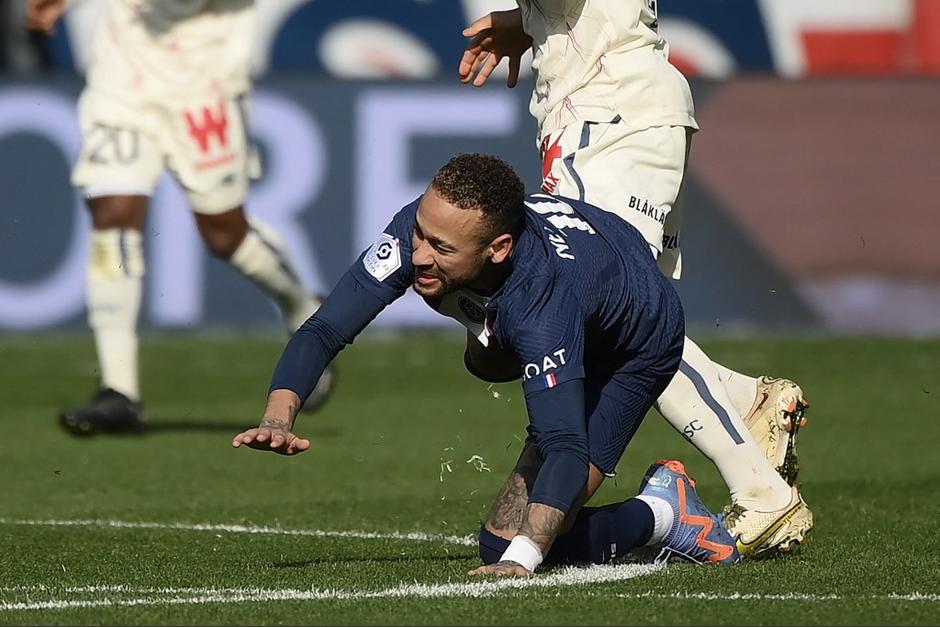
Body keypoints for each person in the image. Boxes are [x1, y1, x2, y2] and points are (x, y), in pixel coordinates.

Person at [232, 153, 741, 574]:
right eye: (421, 235)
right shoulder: (422, 229)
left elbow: (565, 445)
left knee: (515, 549)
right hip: (570, 283)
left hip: (635, 345)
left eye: (441, 248)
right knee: (497, 372)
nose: (420, 257)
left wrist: (521, 561)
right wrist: (279, 417)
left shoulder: (542, 307)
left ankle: (665, 513)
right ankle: (491, 336)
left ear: (498, 248)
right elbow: (324, 328)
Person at [456, 1, 812, 558]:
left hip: (608, 119)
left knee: (620, 321)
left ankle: (761, 491)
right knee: (625, 314)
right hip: (631, 107)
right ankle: (750, 401)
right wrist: (529, 21)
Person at [25, 0, 335, 435]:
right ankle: (120, 393)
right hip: (125, 68)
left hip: (205, 71)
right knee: (113, 214)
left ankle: (302, 307)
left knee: (223, 235)